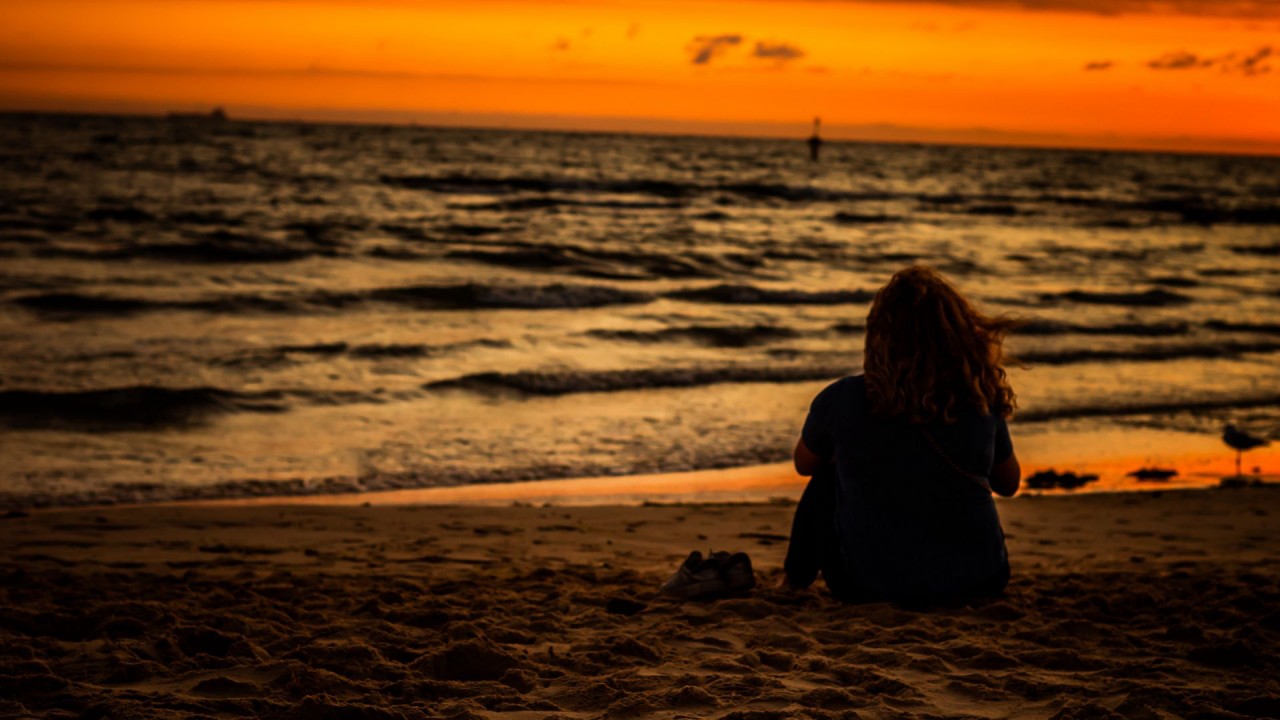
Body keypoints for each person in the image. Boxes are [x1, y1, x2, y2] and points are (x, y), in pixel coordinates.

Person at [784, 266, 1021, 605]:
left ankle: (794, 579)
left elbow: (804, 464)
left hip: (867, 586)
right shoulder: (977, 400)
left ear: (879, 336)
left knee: (826, 472)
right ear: (957, 336)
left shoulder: (843, 399)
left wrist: (856, 451)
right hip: (980, 581)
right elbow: (1008, 483)